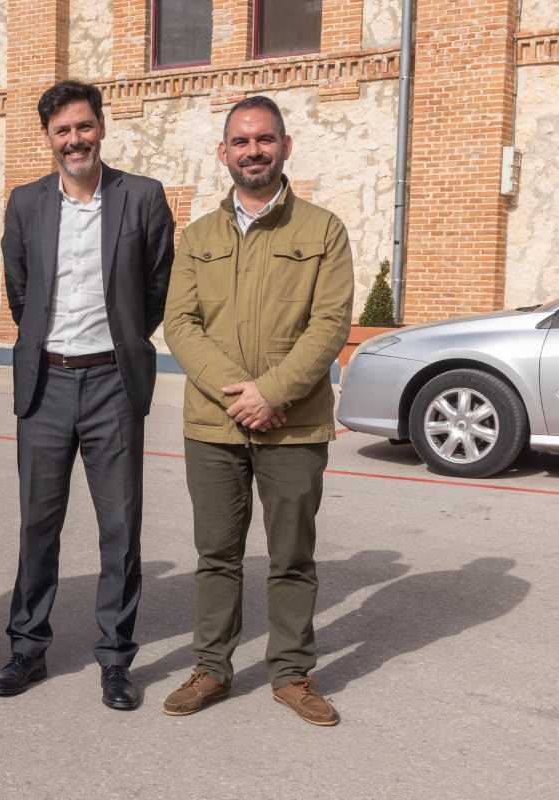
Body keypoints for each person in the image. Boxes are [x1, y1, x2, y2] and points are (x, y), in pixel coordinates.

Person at [161, 95, 354, 726]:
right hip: (213, 424)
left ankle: (292, 672)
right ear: (224, 153)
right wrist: (239, 394)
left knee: (292, 554)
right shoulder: (198, 236)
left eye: (265, 139)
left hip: (292, 424)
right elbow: (180, 324)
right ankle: (211, 668)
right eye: (241, 141)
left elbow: (329, 325)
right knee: (216, 552)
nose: (253, 151)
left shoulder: (321, 229)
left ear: (285, 146)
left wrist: (272, 393)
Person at [0, 80, 174, 710]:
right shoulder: (26, 204)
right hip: (44, 382)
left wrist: (119, 343)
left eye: (84, 127)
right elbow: (20, 290)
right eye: (63, 131)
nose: (75, 140)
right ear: (49, 138)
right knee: (38, 525)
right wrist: (50, 344)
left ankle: (116, 658)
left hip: (111, 384)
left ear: (101, 127)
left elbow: (155, 288)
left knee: (120, 527)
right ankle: (26, 649)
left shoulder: (142, 197)